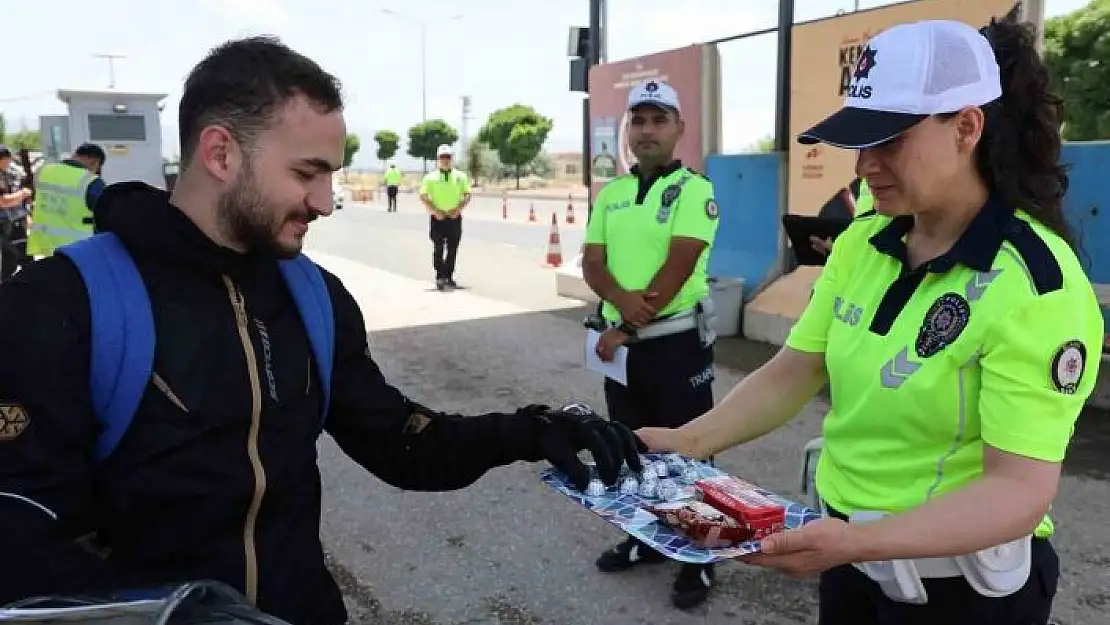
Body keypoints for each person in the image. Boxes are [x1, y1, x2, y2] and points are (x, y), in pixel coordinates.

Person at [0, 36, 642, 625]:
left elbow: (402, 443)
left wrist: (533, 430)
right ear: (220, 153)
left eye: (331, 174)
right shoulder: (62, 303)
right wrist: (159, 614)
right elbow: (20, 531)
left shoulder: (311, 295)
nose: (326, 201)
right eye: (306, 173)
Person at [636, 17, 1103, 625]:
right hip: (852, 564)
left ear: (966, 126)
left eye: (889, 141)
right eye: (859, 140)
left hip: (962, 592)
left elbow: (1018, 491)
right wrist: (688, 441)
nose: (863, 166)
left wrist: (860, 542)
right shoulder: (867, 239)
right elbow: (797, 368)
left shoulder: (1037, 285)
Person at [581, 79, 721, 610]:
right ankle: (647, 538)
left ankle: (698, 556)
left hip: (675, 344)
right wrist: (618, 308)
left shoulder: (695, 190)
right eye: (637, 120)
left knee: (688, 449)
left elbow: (679, 263)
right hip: (623, 346)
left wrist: (626, 324)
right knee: (632, 444)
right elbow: (593, 262)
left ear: (679, 128)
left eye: (658, 119)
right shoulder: (612, 194)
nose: (646, 130)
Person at [25, 143, 107, 259]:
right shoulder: (91, 182)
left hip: (45, 245)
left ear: (75, 155)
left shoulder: (43, 171)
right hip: (77, 247)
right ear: (95, 162)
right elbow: (105, 215)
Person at [419, 144, 470, 291]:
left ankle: (448, 276)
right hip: (438, 218)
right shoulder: (430, 178)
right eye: (442, 157)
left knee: (453, 249)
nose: (445, 160)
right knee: (439, 247)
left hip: (454, 217)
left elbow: (467, 194)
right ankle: (440, 276)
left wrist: (458, 209)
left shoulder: (460, 177)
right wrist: (435, 211)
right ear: (438, 159)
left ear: (452, 158)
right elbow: (423, 195)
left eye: (448, 157)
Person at [0, 145, 33, 281]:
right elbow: (3, 201)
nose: (9, 162)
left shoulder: (6, 174)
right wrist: (23, 194)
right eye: (6, 159)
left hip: (13, 224)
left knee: (18, 262)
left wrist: (26, 215)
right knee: (14, 262)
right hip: (5, 227)